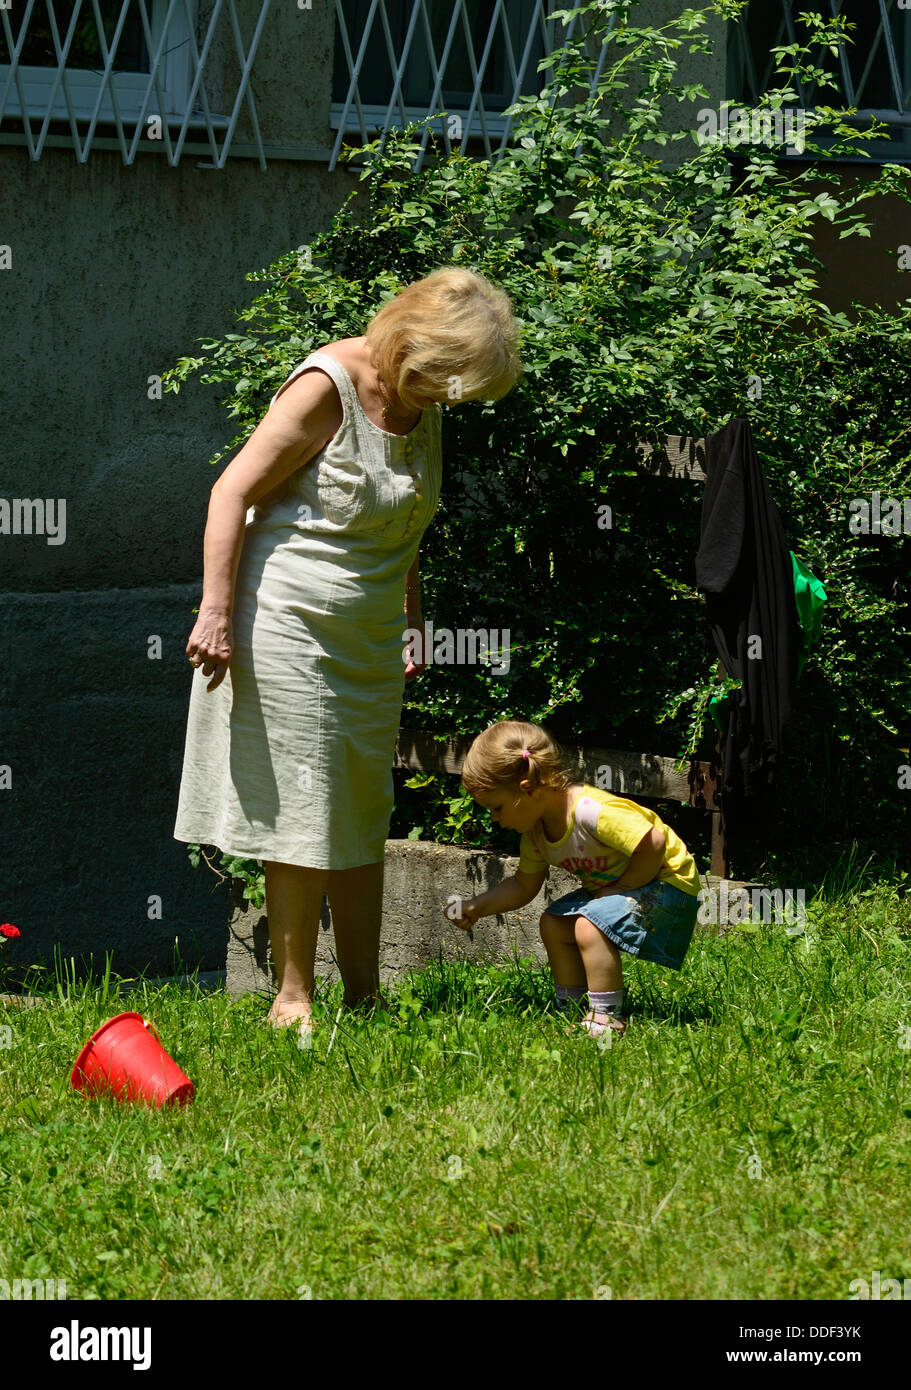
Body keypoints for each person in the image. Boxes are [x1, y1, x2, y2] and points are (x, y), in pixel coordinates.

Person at [174, 268, 522, 1038]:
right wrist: (216, 612)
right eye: (445, 379)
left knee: (361, 808)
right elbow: (230, 493)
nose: (449, 398)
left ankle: (363, 994)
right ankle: (292, 997)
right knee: (301, 807)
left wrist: (411, 617)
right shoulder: (326, 385)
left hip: (365, 632)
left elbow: (407, 523)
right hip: (285, 619)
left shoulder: (422, 396)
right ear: (411, 341)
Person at [447, 720, 701, 1036]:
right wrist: (477, 906)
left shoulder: (590, 811)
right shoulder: (536, 834)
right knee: (553, 923)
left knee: (588, 924)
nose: (495, 820)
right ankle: (573, 1010)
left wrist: (621, 888)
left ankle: (606, 1019)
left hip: (668, 884)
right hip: (625, 887)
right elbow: (524, 886)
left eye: (496, 808)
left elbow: (653, 843)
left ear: (527, 788)